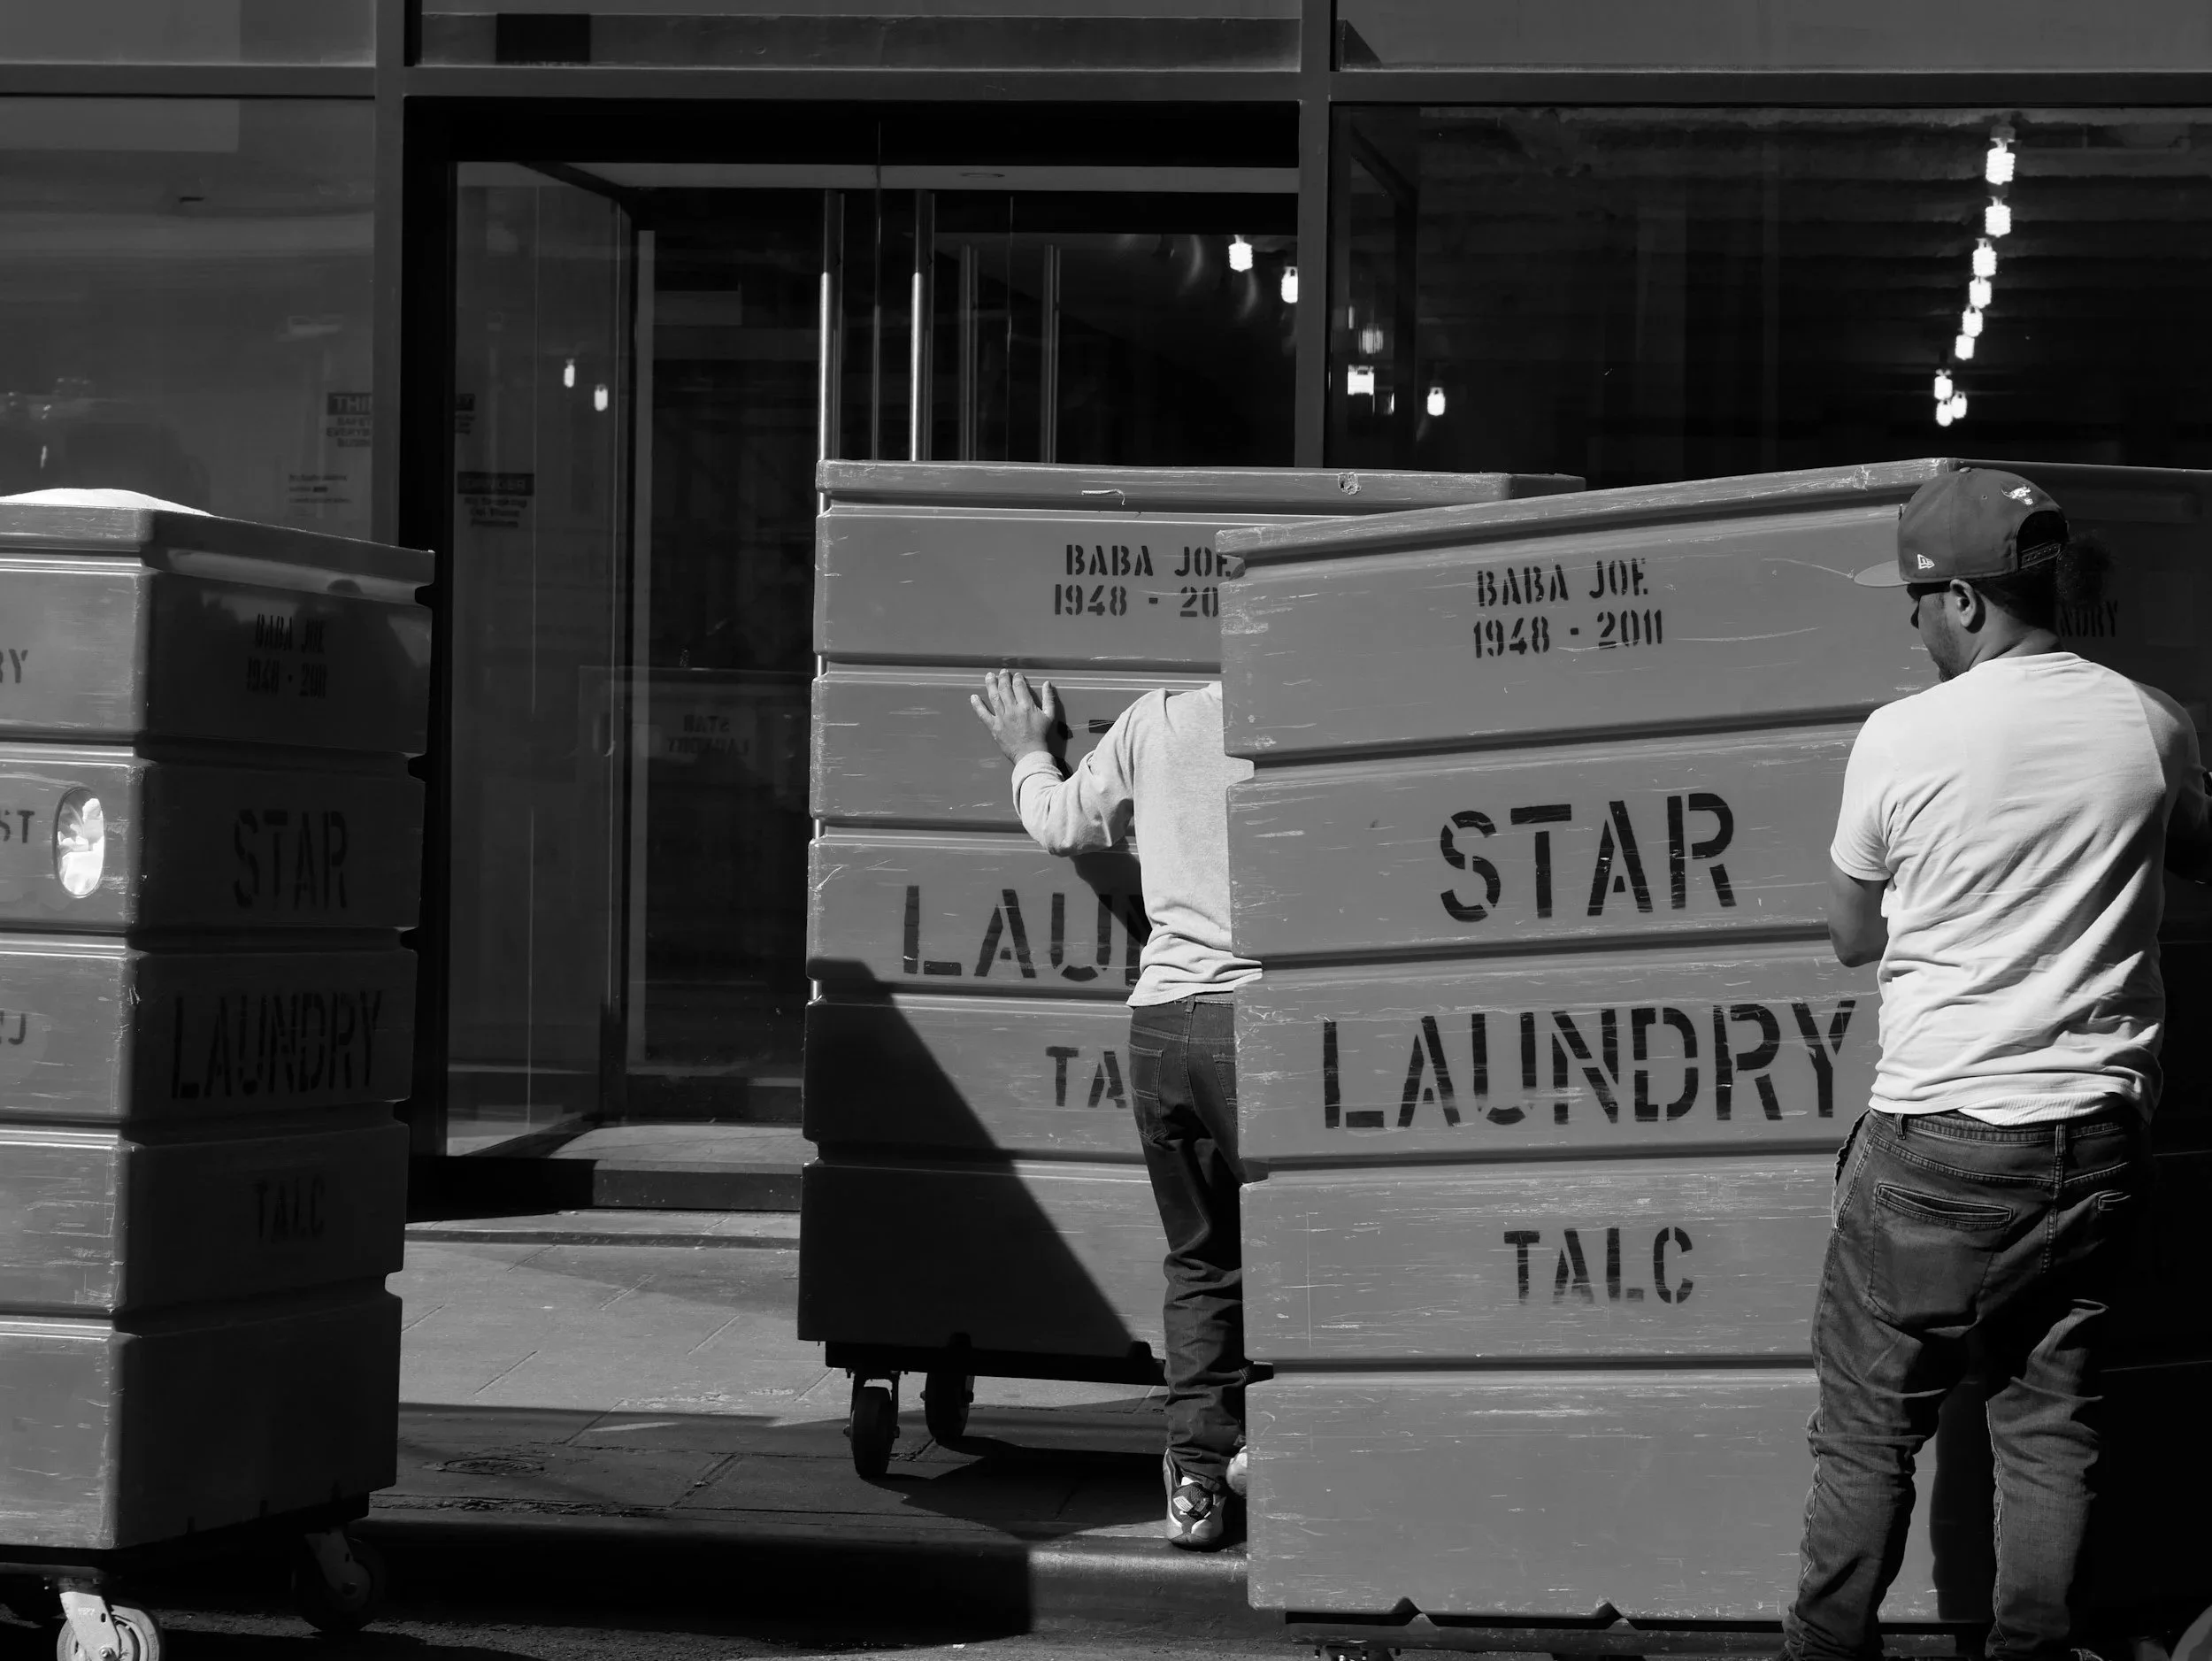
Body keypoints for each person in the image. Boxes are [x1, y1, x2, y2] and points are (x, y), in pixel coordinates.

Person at [1782, 468, 2212, 1661]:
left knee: (1869, 1429)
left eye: (1916, 599)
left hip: (1943, 1144)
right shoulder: (2151, 722)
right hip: (2097, 1145)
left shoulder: (1904, 737)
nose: (1912, 622)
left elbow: (1854, 935)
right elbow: (2200, 843)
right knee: (2050, 1419)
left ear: (1965, 603)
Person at [971, 668, 1256, 1550]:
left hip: (1164, 1024)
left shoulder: (1158, 719)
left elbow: (1060, 822)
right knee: (1305, 1247)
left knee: (1202, 1258)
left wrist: (1029, 752)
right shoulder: (1328, 721)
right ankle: (1294, 1450)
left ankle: (1198, 1485)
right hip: (1268, 1022)